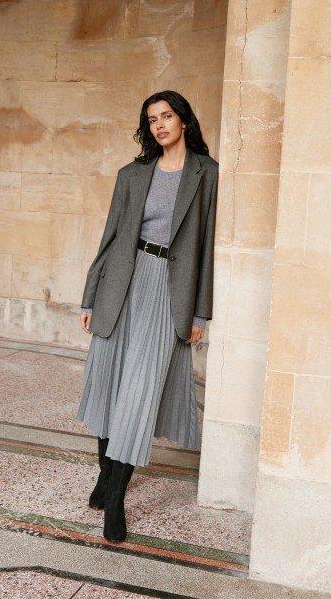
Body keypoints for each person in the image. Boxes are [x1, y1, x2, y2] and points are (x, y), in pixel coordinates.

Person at [76, 90, 219, 543]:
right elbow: (111, 237)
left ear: (183, 121)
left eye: (167, 116)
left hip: (168, 290)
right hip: (123, 281)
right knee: (110, 385)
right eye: (152, 119)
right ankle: (105, 475)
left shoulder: (207, 175)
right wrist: (91, 296)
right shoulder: (132, 174)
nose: (159, 125)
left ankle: (116, 497)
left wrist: (201, 312)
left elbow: (208, 250)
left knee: (139, 393)